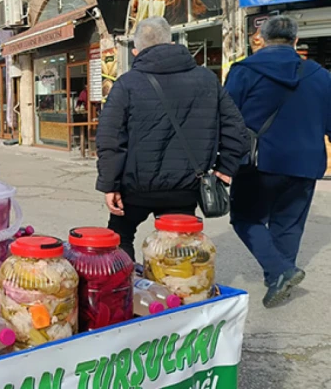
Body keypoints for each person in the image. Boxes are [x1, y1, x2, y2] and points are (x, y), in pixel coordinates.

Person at [95, 17, 248, 260]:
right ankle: (178, 292)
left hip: (135, 187)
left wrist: (109, 184)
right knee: (178, 246)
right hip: (186, 187)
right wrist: (226, 168)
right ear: (172, 41)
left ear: (136, 51)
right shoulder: (206, 79)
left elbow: (110, 138)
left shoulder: (127, 84)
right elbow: (237, 130)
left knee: (120, 236)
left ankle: (127, 291)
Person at [225, 16, 331, 308]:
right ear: (295, 41)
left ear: (261, 38)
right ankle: (277, 276)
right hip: (307, 164)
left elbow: (227, 118)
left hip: (260, 163)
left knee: (245, 217)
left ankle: (280, 271)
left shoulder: (244, 70)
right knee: (289, 224)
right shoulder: (321, 75)